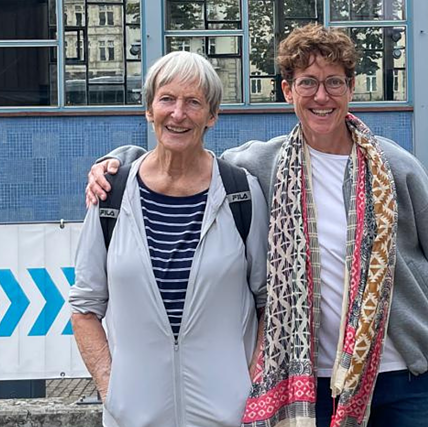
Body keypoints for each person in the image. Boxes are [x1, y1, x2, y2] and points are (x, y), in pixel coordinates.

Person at [87, 24, 428, 427]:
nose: (321, 96)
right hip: (314, 379)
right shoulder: (262, 165)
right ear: (287, 91)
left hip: (409, 375)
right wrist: (119, 161)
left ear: (351, 88)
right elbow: (181, 153)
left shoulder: (396, 167)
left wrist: (417, 335)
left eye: (334, 82)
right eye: (307, 83)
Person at [68, 51, 269, 427]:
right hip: (134, 417)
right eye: (167, 99)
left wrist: (253, 386)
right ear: (149, 110)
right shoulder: (110, 195)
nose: (178, 114)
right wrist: (114, 391)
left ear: (212, 116)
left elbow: (269, 302)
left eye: (194, 102)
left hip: (230, 416)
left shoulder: (241, 194)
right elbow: (84, 308)